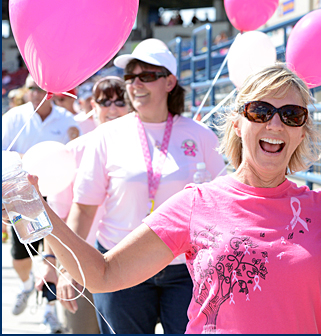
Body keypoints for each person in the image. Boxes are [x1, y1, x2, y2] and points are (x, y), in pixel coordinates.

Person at [38, 64, 321, 334]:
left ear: (302, 132)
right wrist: (36, 208)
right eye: (260, 111)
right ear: (237, 123)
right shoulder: (197, 203)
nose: (275, 125)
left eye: (291, 115)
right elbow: (104, 274)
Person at [57, 38, 226, 334]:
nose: (135, 84)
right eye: (130, 77)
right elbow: (83, 209)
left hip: (184, 270)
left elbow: (223, 205)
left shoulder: (200, 136)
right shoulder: (107, 136)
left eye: (147, 76)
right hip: (118, 266)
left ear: (170, 82)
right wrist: (68, 268)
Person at [42, 76, 131, 334]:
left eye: (119, 101)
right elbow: (56, 215)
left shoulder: (144, 153)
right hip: (79, 264)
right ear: (93, 106)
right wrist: (53, 265)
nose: (113, 109)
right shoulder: (74, 150)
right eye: (105, 102)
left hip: (127, 264)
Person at [2, 74, 80, 333]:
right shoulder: (14, 118)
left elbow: (76, 152)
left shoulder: (67, 119)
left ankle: (48, 309)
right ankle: (26, 285)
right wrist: (31, 159)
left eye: (41, 88)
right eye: (31, 88)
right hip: (21, 194)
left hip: (57, 192)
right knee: (21, 254)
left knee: (53, 250)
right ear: (25, 91)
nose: (36, 93)